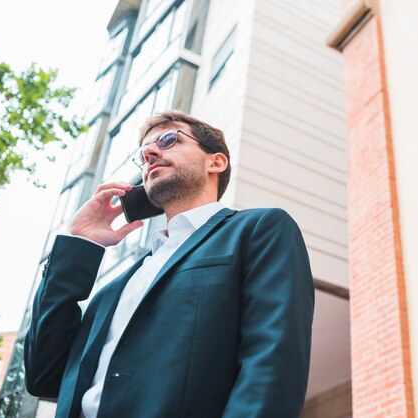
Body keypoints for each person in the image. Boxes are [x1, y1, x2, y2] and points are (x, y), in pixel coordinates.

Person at [24, 110, 315, 418]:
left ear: (215, 162)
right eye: (143, 153)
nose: (149, 154)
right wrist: (81, 244)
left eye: (168, 139)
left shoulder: (259, 229)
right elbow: (45, 377)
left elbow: (273, 364)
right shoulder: (114, 291)